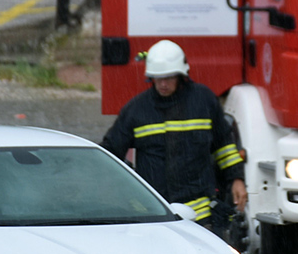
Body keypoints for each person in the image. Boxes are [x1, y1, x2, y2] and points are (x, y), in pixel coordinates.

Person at [101, 40, 247, 232]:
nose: (162, 84)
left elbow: (224, 146)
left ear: (181, 75)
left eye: (169, 77)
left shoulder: (203, 101)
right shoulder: (136, 110)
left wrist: (236, 179)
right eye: (157, 77)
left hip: (199, 215)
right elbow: (110, 153)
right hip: (154, 214)